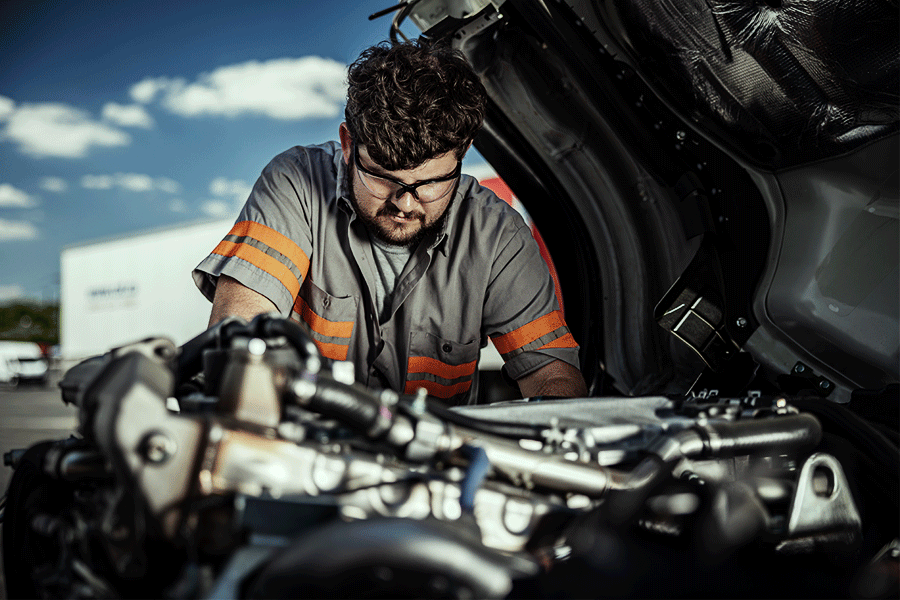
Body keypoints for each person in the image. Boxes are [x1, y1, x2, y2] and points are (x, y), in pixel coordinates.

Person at [193, 40, 587, 404]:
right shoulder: (295, 183)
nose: (404, 203)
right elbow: (238, 336)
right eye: (385, 177)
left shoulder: (499, 236)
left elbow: (553, 378)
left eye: (430, 183)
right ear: (349, 145)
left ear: (462, 154)